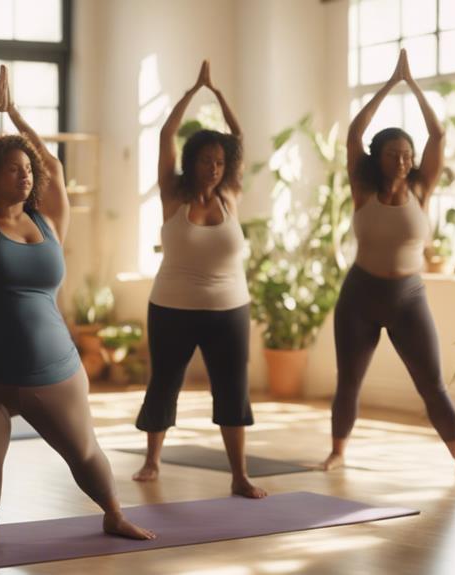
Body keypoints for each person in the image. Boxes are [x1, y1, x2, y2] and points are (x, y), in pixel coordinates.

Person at [0, 65, 155, 556]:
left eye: (26, 167)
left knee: (83, 451)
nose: (26, 173)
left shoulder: (50, 221)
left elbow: (54, 168)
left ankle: (115, 514)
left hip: (51, 370)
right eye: (13, 167)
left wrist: (17, 118)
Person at [321, 50, 455, 479]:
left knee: (432, 384)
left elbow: (439, 134)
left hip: (407, 297)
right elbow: (355, 133)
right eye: (395, 153)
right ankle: (338, 452)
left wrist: (413, 85)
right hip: (360, 296)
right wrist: (389, 83)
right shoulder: (362, 187)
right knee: (349, 382)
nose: (404, 160)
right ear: (379, 157)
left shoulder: (421, 188)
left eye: (407, 153)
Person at [131, 61, 266, 499]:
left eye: (220, 161)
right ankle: (152, 460)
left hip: (230, 309)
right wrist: (193, 91)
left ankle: (239, 475)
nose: (214, 167)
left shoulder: (231, 194)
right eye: (207, 159)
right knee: (165, 382)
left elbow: (240, 140)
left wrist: (221, 96)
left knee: (232, 389)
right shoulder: (174, 193)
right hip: (172, 306)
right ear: (193, 162)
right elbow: (165, 135)